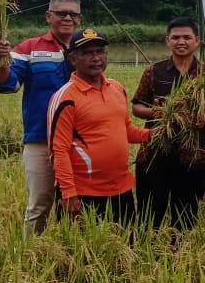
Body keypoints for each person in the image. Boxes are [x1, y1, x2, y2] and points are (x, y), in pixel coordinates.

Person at [0, 0, 80, 238]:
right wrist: (1, 60)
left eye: (73, 14)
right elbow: (8, 84)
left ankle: (71, 250)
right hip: (41, 140)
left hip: (81, 141)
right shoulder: (30, 48)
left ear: (80, 19)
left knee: (77, 203)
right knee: (39, 204)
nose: (67, 18)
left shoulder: (86, 47)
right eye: (61, 13)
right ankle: (31, 255)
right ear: (48, 16)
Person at [47, 29, 156, 224]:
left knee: (127, 246)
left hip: (121, 189)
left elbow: (126, 130)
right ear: (73, 59)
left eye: (100, 51)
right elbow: (58, 149)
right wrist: (68, 193)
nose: (96, 58)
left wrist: (153, 135)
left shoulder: (116, 88)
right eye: (87, 53)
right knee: (83, 252)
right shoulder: (65, 97)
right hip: (83, 193)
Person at [130, 17, 205, 229]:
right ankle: (147, 252)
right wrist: (160, 113)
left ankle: (179, 254)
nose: (181, 41)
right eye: (176, 37)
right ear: (167, 41)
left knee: (186, 213)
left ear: (197, 41)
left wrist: (203, 118)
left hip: (192, 156)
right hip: (155, 153)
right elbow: (136, 106)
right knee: (150, 213)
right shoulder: (154, 71)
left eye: (187, 37)